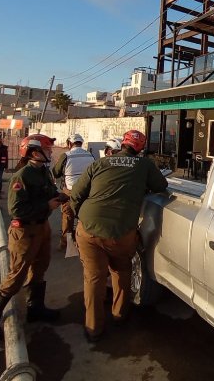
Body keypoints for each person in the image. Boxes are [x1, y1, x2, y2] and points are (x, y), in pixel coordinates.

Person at [70, 130, 168, 343]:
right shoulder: (144, 165)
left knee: (94, 278)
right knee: (121, 272)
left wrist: (80, 221)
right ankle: (120, 315)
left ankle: (93, 328)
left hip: (89, 229)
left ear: (122, 144)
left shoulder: (100, 163)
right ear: (140, 147)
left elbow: (76, 194)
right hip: (121, 232)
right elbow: (162, 187)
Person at [0, 139, 67, 342]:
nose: (50, 151)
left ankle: (35, 308)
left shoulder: (43, 172)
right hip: (25, 231)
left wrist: (61, 196)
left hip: (42, 227)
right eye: (46, 149)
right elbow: (17, 210)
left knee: (40, 267)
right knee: (17, 275)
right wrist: (47, 205)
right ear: (32, 153)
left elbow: (48, 191)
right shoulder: (22, 176)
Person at [52, 133, 95, 249]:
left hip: (70, 192)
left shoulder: (66, 156)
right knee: (85, 217)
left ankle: (66, 243)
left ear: (69, 143)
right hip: (87, 192)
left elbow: (56, 172)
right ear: (81, 143)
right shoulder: (90, 155)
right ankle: (86, 242)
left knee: (68, 216)